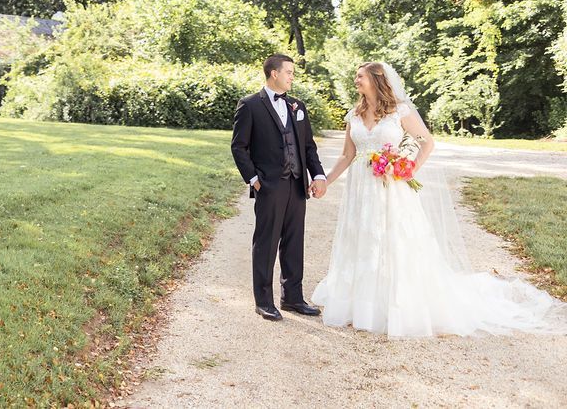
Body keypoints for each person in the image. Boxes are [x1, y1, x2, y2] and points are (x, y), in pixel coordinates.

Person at [312, 61, 567, 336]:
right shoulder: (354, 114)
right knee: (361, 238)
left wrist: (407, 168)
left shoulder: (400, 111)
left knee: (393, 239)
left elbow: (427, 142)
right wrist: (325, 180)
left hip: (392, 188)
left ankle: (394, 303)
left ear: (376, 79)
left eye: (359, 76)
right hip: (360, 189)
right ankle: (361, 303)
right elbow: (347, 155)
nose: (355, 80)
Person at [231, 53, 328, 321]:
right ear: (274, 73)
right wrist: (254, 179)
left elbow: (308, 146)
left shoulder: (298, 106)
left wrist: (317, 175)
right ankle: (263, 301)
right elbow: (239, 147)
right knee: (266, 243)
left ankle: (292, 298)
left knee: (294, 242)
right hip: (269, 185)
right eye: (289, 72)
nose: (292, 77)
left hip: (297, 184)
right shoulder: (249, 105)